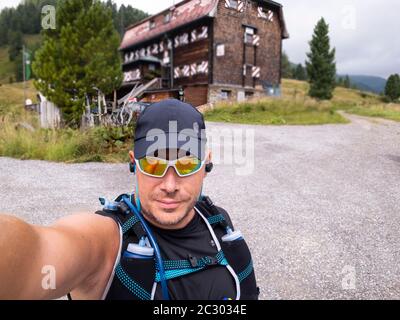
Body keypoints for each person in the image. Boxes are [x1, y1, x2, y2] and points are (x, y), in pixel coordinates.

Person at [0, 99, 259, 300]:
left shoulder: (218, 221)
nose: (170, 185)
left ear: (206, 164)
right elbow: (39, 251)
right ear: (134, 163)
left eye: (187, 164)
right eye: (154, 164)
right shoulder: (108, 240)